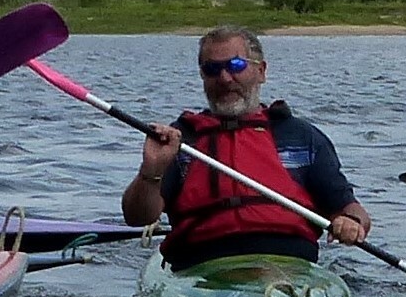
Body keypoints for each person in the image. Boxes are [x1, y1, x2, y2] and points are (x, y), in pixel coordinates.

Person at [121, 26, 370, 268]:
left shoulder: (302, 137)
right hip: (203, 265)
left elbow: (350, 207)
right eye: (212, 69)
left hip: (290, 265)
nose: (225, 78)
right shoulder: (181, 139)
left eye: (236, 65)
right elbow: (138, 217)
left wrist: (351, 222)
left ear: (261, 71)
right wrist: (151, 170)